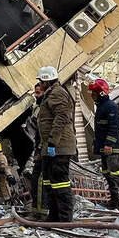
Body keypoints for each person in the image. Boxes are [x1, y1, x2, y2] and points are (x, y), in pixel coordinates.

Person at [34, 65, 76, 222]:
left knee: (60, 182)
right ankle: (54, 215)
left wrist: (52, 142)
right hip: (50, 147)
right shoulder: (50, 94)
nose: (39, 84)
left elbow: (61, 117)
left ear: (46, 81)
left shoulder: (57, 93)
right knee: (48, 182)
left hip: (59, 147)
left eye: (41, 81)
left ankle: (65, 219)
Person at [89, 77, 119, 212]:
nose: (92, 95)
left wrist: (109, 144)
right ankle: (114, 201)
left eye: (94, 93)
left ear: (101, 93)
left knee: (116, 174)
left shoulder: (111, 107)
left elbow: (114, 127)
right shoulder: (101, 107)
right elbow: (100, 129)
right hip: (104, 148)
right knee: (107, 174)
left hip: (112, 148)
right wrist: (97, 144)